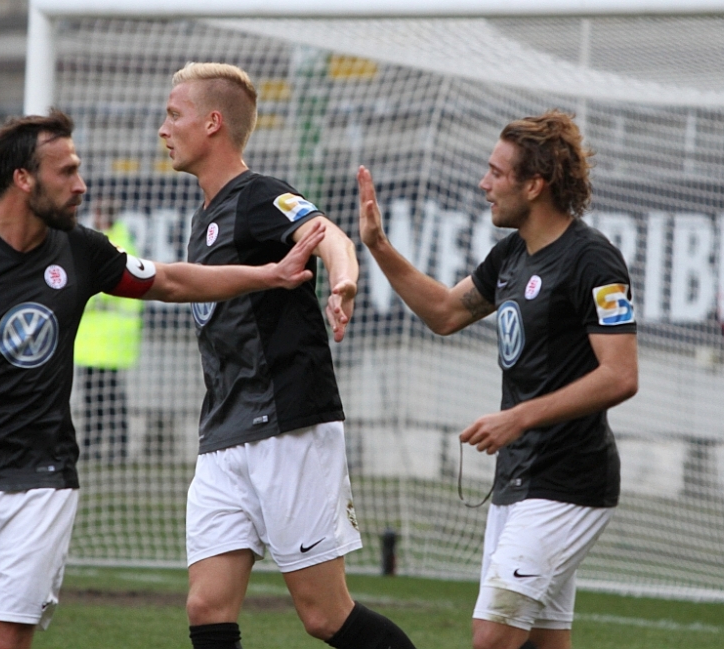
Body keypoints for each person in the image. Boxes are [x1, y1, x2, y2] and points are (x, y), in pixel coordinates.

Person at [0, 108, 326, 649]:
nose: (81, 185)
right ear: (23, 179)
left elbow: (169, 280)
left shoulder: (82, 250)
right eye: (67, 172)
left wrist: (269, 274)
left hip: (42, 479)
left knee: (4, 637)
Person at [159, 62, 418, 649]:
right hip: (224, 431)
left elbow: (330, 237)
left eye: (175, 115)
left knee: (325, 615)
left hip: (286, 424)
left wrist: (344, 282)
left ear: (213, 123)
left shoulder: (257, 195)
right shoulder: (204, 216)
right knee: (206, 605)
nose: (164, 128)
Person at [357, 110, 638, 649]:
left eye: (496, 173)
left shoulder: (593, 260)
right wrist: (379, 246)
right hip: (518, 481)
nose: (484, 184)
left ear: (534, 185)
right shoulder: (512, 254)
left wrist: (519, 418)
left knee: (492, 635)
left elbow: (621, 375)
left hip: (568, 484)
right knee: (540, 642)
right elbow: (445, 313)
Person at [74, 198, 140, 462]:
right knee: (105, 395)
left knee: (102, 396)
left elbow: (100, 284)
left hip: (105, 338)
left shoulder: (112, 243)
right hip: (101, 340)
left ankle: (105, 447)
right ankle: (108, 447)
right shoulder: (122, 240)